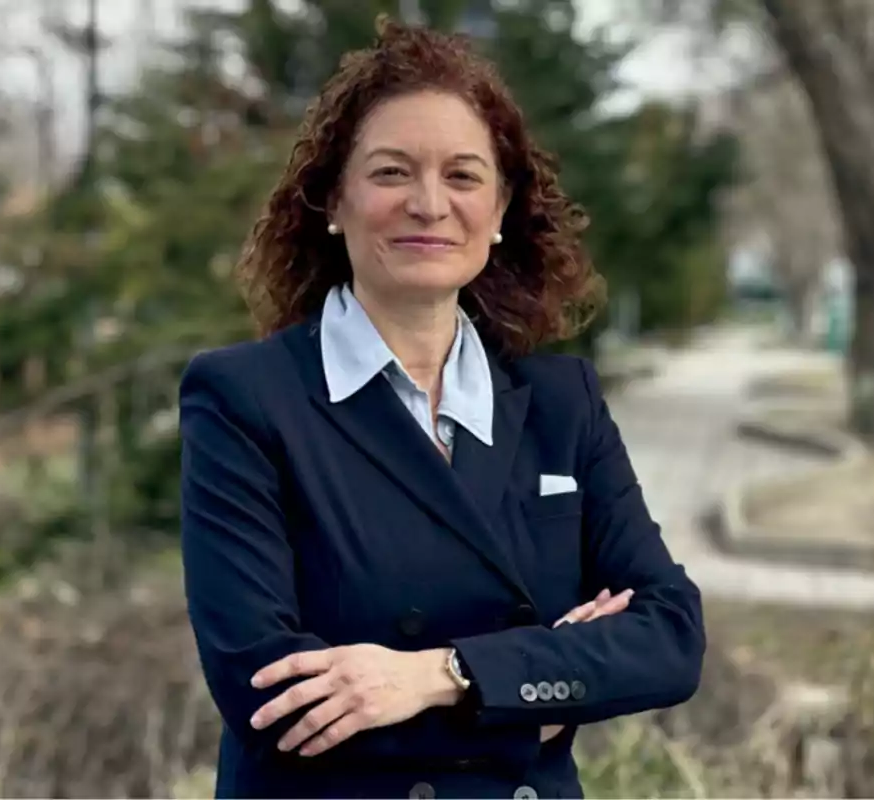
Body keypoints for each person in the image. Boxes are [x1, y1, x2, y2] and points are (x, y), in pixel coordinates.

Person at [178, 17, 705, 800]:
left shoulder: (563, 403)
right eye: (392, 172)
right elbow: (271, 695)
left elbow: (670, 637)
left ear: (498, 213)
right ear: (332, 200)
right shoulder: (244, 400)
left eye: (463, 176)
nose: (430, 204)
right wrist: (544, 691)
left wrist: (444, 675)